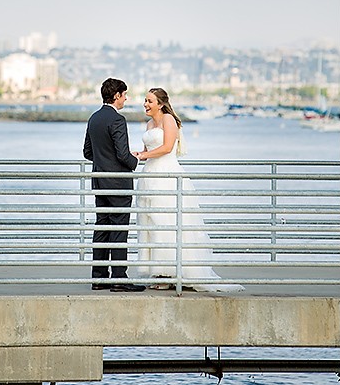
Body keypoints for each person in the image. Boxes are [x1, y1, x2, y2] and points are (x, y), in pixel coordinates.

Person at [134, 87, 244, 292]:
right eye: (145, 101)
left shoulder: (169, 120)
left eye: (149, 101)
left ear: (161, 103)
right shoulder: (150, 123)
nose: (145, 104)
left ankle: (172, 272)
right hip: (149, 176)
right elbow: (149, 151)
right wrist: (139, 154)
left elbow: (167, 148)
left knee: (167, 222)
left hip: (166, 175)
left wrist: (142, 156)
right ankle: (159, 271)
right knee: (151, 223)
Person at [83, 78, 145, 292]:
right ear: (116, 95)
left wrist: (103, 162)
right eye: (124, 94)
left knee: (102, 227)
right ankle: (119, 278)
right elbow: (122, 153)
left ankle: (99, 278)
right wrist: (135, 161)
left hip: (100, 181)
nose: (126, 98)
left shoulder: (94, 118)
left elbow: (87, 152)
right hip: (118, 182)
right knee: (118, 229)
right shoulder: (117, 120)